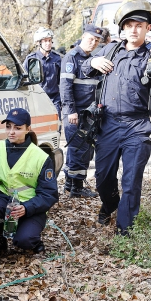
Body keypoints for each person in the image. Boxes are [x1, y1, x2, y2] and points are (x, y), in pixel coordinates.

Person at [85, 0, 151, 235]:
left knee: (131, 181)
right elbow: (85, 67)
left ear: (148, 28)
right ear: (122, 28)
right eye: (129, 25)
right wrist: (93, 60)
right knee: (103, 178)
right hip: (107, 125)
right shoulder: (111, 50)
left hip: (136, 127)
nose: (134, 30)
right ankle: (109, 204)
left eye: (139, 25)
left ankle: (124, 230)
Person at [0, 108, 59, 258]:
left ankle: (33, 241)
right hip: (4, 199)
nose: (11, 132)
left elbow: (49, 194)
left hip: (31, 205)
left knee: (24, 241)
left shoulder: (40, 157)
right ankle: (0, 243)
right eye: (8, 127)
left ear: (28, 129)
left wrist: (26, 208)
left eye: (17, 128)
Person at [59, 24, 104, 198]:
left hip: (88, 112)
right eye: (91, 38)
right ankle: (76, 188)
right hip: (75, 112)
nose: (93, 42)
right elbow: (65, 87)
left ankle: (71, 185)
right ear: (84, 36)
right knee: (79, 149)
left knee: (81, 148)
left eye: (97, 40)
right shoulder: (72, 57)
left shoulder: (92, 59)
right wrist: (71, 110)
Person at [23, 27, 63, 119]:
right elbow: (24, 77)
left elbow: (61, 79)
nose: (48, 43)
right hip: (37, 99)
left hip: (54, 99)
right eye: (45, 41)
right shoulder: (31, 59)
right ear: (39, 42)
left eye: (49, 40)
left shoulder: (57, 58)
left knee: (56, 126)